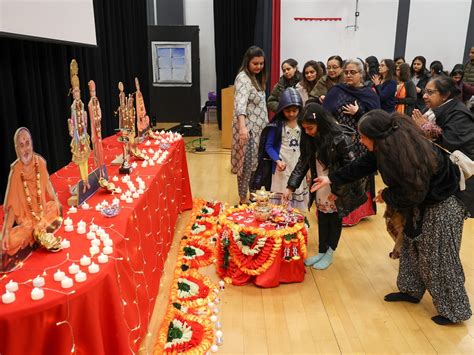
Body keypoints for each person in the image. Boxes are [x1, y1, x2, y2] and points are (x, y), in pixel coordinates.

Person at [313, 110, 472, 325]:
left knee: (439, 257)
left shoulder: (406, 155)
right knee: (411, 247)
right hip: (421, 202)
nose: (360, 140)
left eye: (363, 136)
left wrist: (385, 195)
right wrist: (330, 178)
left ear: (377, 137)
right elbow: (360, 166)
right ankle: (411, 290)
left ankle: (454, 311)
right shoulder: (385, 146)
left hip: (442, 204)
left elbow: (414, 192)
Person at [282, 103, 366, 269]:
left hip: (337, 183)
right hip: (320, 182)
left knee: (334, 218)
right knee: (322, 215)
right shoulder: (309, 138)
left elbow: (350, 168)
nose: (307, 132)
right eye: (304, 128)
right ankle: (321, 250)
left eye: (310, 128)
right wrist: (290, 187)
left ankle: (330, 252)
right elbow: (303, 162)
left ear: (320, 123)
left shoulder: (341, 138)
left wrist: (338, 190)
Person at [322, 58, 380, 225]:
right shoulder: (336, 90)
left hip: (361, 143)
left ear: (361, 74)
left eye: (352, 72)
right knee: (339, 171)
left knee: (357, 173)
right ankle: (333, 210)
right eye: (346, 72)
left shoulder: (369, 94)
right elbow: (325, 113)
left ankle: (354, 214)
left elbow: (376, 120)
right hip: (338, 142)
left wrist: (359, 112)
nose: (348, 75)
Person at [412, 76, 474, 216]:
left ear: (445, 95)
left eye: (430, 92)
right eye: (425, 91)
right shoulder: (431, 109)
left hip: (453, 183)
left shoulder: (459, 114)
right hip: (437, 178)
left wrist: (425, 128)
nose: (425, 96)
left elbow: (449, 144)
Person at [1, 128, 62, 258]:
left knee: (55, 207)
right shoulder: (16, 172)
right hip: (27, 223)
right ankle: (36, 234)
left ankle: (37, 235)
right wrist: (6, 231)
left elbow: (48, 185)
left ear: (32, 143)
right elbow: (11, 207)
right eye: (22, 145)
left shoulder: (40, 162)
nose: (26, 149)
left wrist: (56, 201)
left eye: (28, 143)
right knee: (9, 241)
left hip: (42, 215)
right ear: (17, 149)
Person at [252, 88, 309, 210]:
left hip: (298, 165)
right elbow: (269, 146)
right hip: (281, 167)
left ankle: (295, 223)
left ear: (300, 108)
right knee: (280, 198)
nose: (291, 114)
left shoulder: (303, 124)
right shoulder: (277, 125)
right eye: (287, 111)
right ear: (281, 109)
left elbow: (307, 146)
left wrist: (308, 169)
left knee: (295, 191)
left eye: (294, 110)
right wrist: (277, 160)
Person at [231, 46, 268, 204]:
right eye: (255, 63)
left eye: (261, 63)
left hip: (259, 130)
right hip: (248, 130)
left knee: (255, 165)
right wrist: (243, 127)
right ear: (247, 62)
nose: (259, 66)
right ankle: (243, 198)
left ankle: (252, 192)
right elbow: (240, 104)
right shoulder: (243, 78)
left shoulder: (256, 78)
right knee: (245, 165)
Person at [68, 60, 91, 193]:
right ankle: (83, 181)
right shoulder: (73, 107)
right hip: (78, 136)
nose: (77, 94)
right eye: (75, 92)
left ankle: (87, 180)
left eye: (78, 91)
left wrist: (85, 119)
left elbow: (84, 119)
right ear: (73, 93)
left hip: (83, 134)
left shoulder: (82, 105)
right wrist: (72, 129)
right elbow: (72, 120)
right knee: (81, 161)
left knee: (86, 160)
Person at [88, 80, 105, 175]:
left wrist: (99, 117)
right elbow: (92, 119)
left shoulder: (96, 101)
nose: (93, 93)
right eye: (92, 92)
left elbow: (100, 112)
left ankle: (102, 167)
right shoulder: (90, 104)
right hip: (94, 130)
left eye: (94, 91)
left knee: (100, 149)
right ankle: (99, 169)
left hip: (99, 129)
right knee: (96, 150)